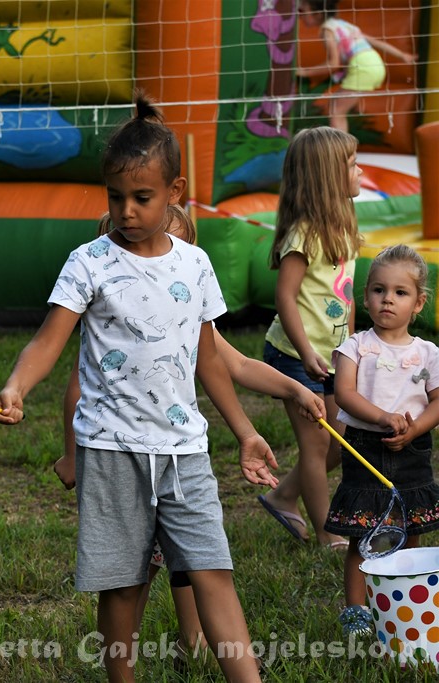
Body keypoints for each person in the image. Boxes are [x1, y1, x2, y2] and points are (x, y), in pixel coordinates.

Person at [0, 93, 275, 682]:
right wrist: (17, 384)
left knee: (213, 572)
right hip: (111, 449)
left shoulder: (195, 264)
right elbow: (48, 341)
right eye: (115, 196)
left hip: (185, 451)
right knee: (122, 584)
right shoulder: (88, 263)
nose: (126, 210)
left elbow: (209, 360)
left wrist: (245, 432)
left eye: (142, 197)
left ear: (175, 192)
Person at [52, 206, 327, 658]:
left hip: (176, 457)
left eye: (178, 244)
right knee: (131, 581)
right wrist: (70, 454)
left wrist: (294, 388)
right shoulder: (110, 316)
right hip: (123, 457)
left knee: (194, 567)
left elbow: (239, 364)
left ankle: (192, 640)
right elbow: (76, 390)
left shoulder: (190, 306)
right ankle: (123, 655)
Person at [325, 244, 439, 636]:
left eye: (400, 292)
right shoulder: (356, 346)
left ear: (418, 303)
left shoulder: (428, 353)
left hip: (412, 450)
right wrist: (383, 417)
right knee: (364, 534)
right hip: (366, 448)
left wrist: (415, 428)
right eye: (379, 290)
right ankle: (357, 611)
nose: (387, 299)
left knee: (411, 528)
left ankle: (404, 601)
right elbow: (345, 394)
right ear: (366, 296)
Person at [258, 125, 362, 551]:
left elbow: (346, 295)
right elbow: (285, 296)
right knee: (317, 446)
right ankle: (327, 533)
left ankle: (283, 495)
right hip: (295, 356)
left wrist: (354, 348)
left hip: (333, 357)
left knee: (341, 441)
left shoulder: (345, 225)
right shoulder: (304, 234)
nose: (360, 171)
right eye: (352, 165)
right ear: (328, 177)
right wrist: (305, 352)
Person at [297, 0, 416, 133]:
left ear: (318, 14)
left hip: (362, 66)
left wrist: (305, 72)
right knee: (336, 106)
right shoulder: (344, 25)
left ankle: (341, 145)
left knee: (336, 110)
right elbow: (376, 42)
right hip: (375, 63)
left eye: (302, 11)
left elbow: (333, 64)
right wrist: (402, 55)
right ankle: (342, 143)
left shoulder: (327, 30)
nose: (299, 16)